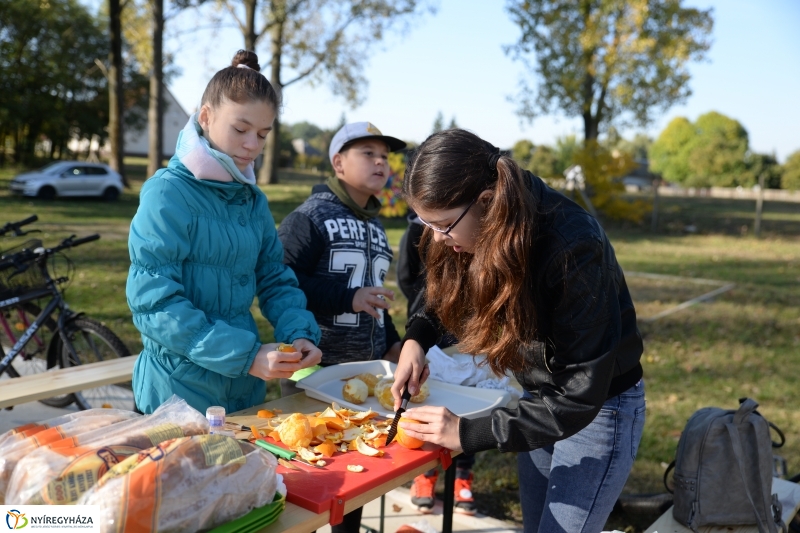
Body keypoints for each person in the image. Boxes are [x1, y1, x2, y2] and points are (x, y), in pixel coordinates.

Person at [390, 129, 645, 533]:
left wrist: (467, 432)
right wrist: (415, 341)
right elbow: (442, 289)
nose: (437, 237)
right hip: (538, 396)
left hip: (599, 406)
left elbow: (579, 393)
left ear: (487, 202)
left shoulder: (572, 245)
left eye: (442, 225)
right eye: (426, 224)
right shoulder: (465, 223)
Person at [126, 50, 322, 416]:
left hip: (244, 389)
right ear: (206, 117)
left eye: (263, 134)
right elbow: (153, 304)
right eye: (241, 129)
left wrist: (299, 332)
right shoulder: (167, 193)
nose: (253, 145)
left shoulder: (253, 200)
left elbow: (274, 278)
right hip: (177, 393)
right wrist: (246, 355)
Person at [277, 121, 406, 533]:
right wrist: (346, 298)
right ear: (337, 162)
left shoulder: (378, 226)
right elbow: (280, 280)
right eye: (367, 152)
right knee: (310, 485)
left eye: (384, 155)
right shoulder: (309, 216)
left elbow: (374, 300)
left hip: (360, 380)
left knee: (355, 480)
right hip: (313, 374)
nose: (380, 162)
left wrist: (393, 344)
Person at [397, 214, 478, 515]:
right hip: (434, 337)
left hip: (472, 340)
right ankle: (425, 474)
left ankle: (463, 476)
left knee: (468, 412)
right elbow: (410, 278)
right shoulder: (418, 229)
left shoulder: (470, 224)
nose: (440, 237)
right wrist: (419, 334)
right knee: (428, 409)